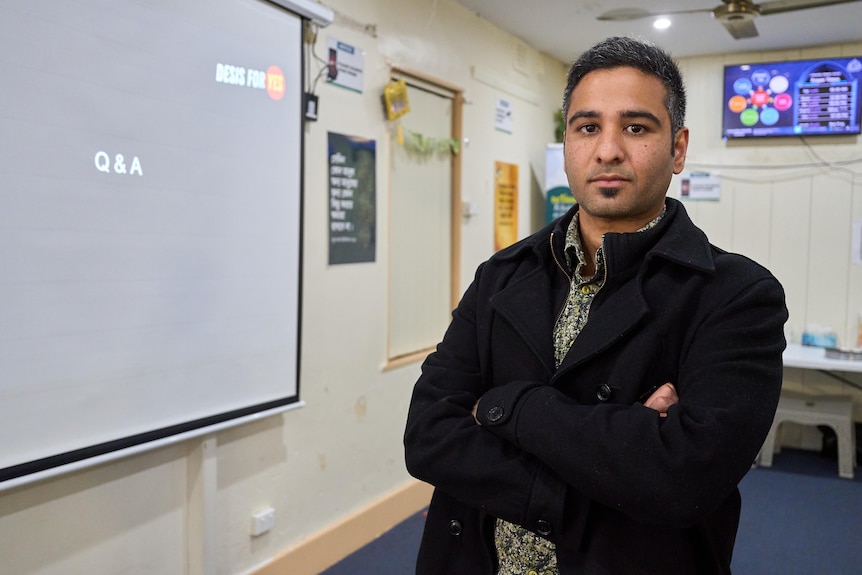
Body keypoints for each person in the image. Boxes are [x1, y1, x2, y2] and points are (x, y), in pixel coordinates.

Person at [403, 36, 787, 575]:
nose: (608, 150)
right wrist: (620, 450)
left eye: (636, 127)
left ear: (678, 148)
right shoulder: (501, 276)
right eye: (588, 127)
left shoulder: (736, 296)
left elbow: (683, 482)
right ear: (567, 143)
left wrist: (507, 408)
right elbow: (427, 437)